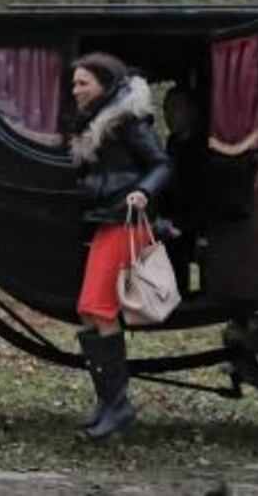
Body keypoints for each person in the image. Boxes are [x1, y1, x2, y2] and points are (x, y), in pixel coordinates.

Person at [67, 52, 172, 441]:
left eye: (83, 83)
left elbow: (162, 163)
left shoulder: (126, 120)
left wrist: (144, 191)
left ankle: (119, 407)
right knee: (88, 310)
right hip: (107, 220)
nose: (75, 90)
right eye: (74, 83)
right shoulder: (95, 121)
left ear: (105, 83)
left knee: (98, 308)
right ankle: (109, 403)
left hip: (126, 221)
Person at [161, 84, 205, 291]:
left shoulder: (203, 146)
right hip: (176, 211)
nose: (169, 116)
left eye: (176, 108)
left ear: (193, 111)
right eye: (166, 110)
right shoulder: (172, 143)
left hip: (199, 213)